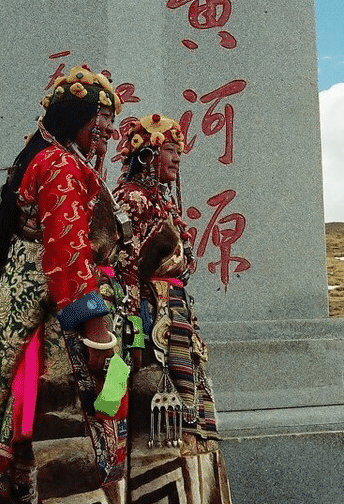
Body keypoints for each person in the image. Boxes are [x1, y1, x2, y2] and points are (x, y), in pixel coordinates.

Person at [0, 64, 130, 504]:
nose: (109, 127)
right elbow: (68, 256)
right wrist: (98, 338)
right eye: (100, 117)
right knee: (68, 431)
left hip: (50, 307)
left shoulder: (55, 160)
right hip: (59, 321)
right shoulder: (62, 167)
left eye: (110, 118)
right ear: (74, 117)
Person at [112, 113, 231, 503]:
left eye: (178, 151)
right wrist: (132, 325)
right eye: (169, 150)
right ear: (146, 154)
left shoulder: (160, 201)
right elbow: (123, 266)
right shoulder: (131, 198)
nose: (177, 158)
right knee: (155, 406)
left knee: (188, 408)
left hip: (174, 316)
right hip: (148, 317)